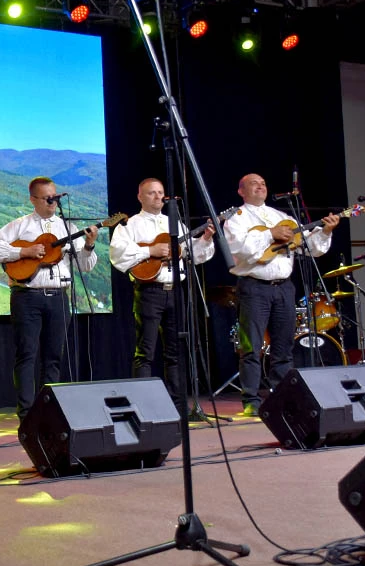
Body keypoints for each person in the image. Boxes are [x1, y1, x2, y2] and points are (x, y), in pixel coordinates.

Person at [224, 173, 339, 416]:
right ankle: (251, 401)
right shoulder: (236, 218)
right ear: (241, 191)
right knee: (251, 347)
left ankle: (284, 397)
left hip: (284, 287)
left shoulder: (283, 217)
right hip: (254, 287)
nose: (261, 187)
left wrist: (325, 231)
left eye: (264, 183)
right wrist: (270, 234)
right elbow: (238, 249)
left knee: (284, 347)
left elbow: (312, 248)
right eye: (254, 184)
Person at [0, 177, 98, 421]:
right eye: (48, 199)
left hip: (58, 296)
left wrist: (88, 246)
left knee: (53, 356)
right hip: (27, 297)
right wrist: (23, 251)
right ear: (33, 200)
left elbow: (86, 266)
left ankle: (50, 411)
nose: (53, 203)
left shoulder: (66, 228)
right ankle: (26, 414)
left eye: (56, 198)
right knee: (26, 354)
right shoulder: (20, 225)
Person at [109, 178, 215, 414]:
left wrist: (205, 239)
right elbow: (118, 256)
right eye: (152, 193)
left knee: (175, 351)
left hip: (176, 291)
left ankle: (178, 407)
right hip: (149, 292)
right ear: (140, 197)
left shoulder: (174, 224)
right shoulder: (129, 225)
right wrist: (150, 250)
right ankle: (143, 407)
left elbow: (194, 256)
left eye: (160, 193)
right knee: (145, 351)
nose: (158, 197)